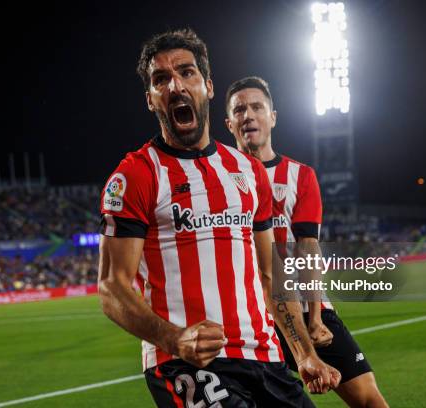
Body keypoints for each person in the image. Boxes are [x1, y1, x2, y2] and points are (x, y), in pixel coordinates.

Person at [98, 29, 340, 407]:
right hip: (185, 364)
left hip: (266, 358)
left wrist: (304, 352)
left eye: (186, 72)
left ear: (208, 86)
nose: (175, 85)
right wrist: (174, 338)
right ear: (150, 99)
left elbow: (270, 275)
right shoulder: (137, 175)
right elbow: (112, 289)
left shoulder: (248, 171)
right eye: (161, 80)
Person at [225, 76, 389, 407]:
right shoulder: (216, 177)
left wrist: (315, 316)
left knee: (368, 398)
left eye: (257, 107)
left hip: (302, 304)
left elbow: (308, 249)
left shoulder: (300, 176)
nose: (249, 115)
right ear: (229, 123)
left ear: (273, 116)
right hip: (249, 322)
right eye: (239, 110)